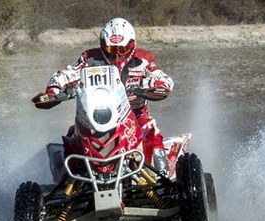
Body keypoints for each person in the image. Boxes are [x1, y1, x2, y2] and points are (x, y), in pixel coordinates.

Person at [43, 17, 174, 175]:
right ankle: (69, 180)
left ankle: (162, 176)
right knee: (73, 135)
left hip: (135, 115)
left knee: (150, 130)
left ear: (131, 44)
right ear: (103, 44)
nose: (117, 54)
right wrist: (54, 90)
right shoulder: (89, 58)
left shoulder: (143, 59)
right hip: (95, 115)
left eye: (123, 48)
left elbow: (162, 78)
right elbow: (65, 74)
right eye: (112, 49)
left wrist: (158, 86)